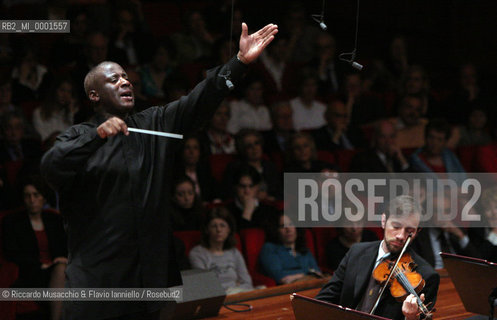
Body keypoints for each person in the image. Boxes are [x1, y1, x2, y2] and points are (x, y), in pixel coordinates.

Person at [40, 22, 278, 320]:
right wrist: (96, 136)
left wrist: (239, 62)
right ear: (94, 95)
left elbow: (199, 99)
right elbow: (51, 166)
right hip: (99, 286)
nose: (125, 82)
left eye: (126, 77)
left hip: (149, 286)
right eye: (114, 79)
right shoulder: (77, 135)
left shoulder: (154, 123)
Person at [316, 195, 439, 320]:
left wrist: (411, 318)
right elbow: (324, 299)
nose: (401, 236)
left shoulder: (426, 276)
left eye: (409, 231)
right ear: (384, 221)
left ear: (417, 231)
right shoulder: (356, 252)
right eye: (396, 227)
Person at [2, 176, 67, 320]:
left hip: (56, 269)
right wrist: (41, 265)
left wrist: (62, 259)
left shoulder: (54, 220)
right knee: (61, 271)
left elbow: (64, 247)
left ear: (43, 197)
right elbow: (11, 253)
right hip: (31, 272)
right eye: (27, 196)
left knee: (64, 269)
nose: (32, 200)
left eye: (36, 195)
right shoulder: (12, 222)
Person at [189, 207, 253, 294]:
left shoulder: (234, 252)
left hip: (237, 295)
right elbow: (204, 287)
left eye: (222, 225)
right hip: (214, 300)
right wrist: (231, 289)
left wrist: (234, 290)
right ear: (207, 230)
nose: (218, 230)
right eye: (214, 226)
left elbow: (247, 283)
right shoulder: (197, 253)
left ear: (228, 230)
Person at [259, 212, 321, 284]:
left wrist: (295, 276)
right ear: (276, 230)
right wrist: (308, 274)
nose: (288, 229)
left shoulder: (305, 250)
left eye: (291, 224)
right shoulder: (270, 248)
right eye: (282, 226)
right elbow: (280, 276)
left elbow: (318, 273)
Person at [32, 77, 79, 142]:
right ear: (54, 91)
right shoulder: (38, 112)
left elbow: (71, 139)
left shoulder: (69, 114)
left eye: (69, 92)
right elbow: (43, 139)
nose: (65, 95)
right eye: (62, 90)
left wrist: (71, 114)